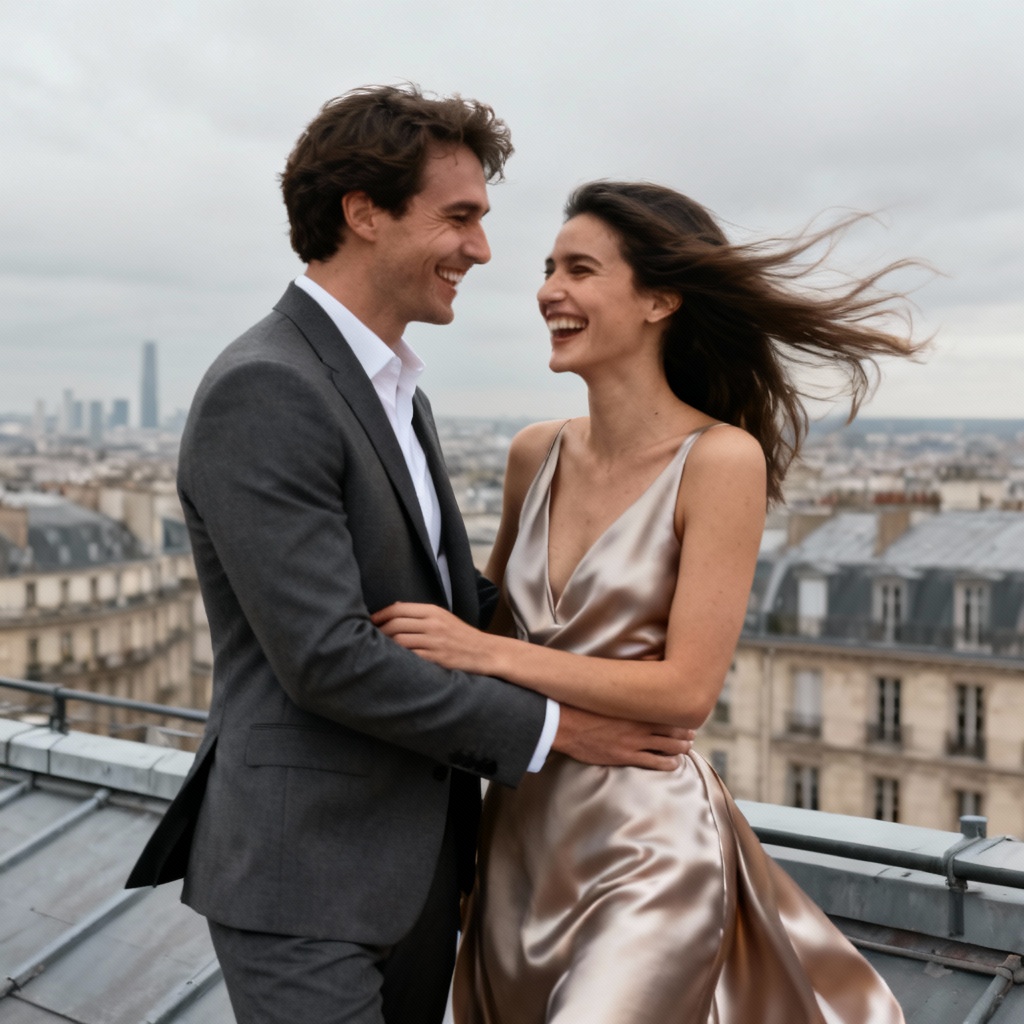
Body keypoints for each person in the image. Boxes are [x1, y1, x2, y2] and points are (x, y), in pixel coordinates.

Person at [125, 93, 693, 1024]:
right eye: (460, 217)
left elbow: (448, 609)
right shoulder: (267, 386)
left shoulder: (392, 390)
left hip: (419, 866)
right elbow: (327, 658)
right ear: (364, 212)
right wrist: (559, 732)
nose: (482, 250)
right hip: (304, 876)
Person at [374, 181, 922, 1022]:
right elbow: (483, 614)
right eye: (550, 267)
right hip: (519, 841)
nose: (548, 289)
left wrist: (482, 653)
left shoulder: (720, 461)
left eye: (580, 269)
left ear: (661, 299)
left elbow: (685, 690)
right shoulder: (534, 453)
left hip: (649, 843)